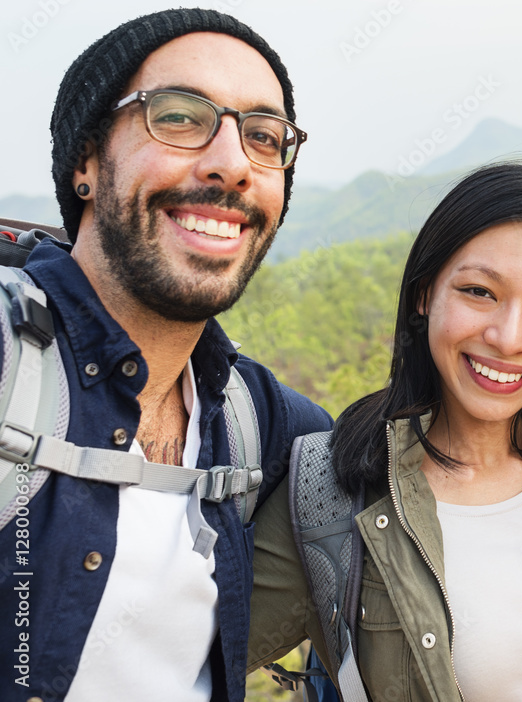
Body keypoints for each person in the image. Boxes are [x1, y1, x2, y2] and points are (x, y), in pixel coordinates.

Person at [0, 9, 332, 702]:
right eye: (179, 118)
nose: (233, 164)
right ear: (86, 160)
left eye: (264, 137)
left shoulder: (261, 426)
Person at [249, 162, 522, 700]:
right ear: (423, 293)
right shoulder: (331, 495)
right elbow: (179, 663)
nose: (508, 338)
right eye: (480, 292)